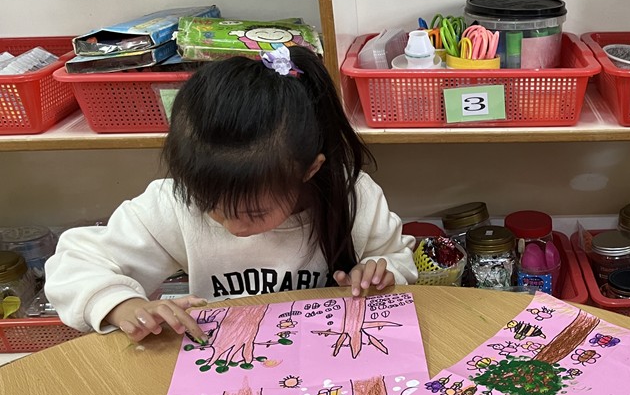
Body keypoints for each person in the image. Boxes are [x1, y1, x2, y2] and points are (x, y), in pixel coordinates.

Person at [45, 46, 417, 344]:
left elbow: (396, 260)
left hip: (329, 350)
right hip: (228, 358)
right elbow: (75, 263)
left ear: (309, 171)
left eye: (254, 213)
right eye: (212, 207)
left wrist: (382, 273)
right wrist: (124, 305)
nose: (233, 227)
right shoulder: (176, 204)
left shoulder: (353, 197)